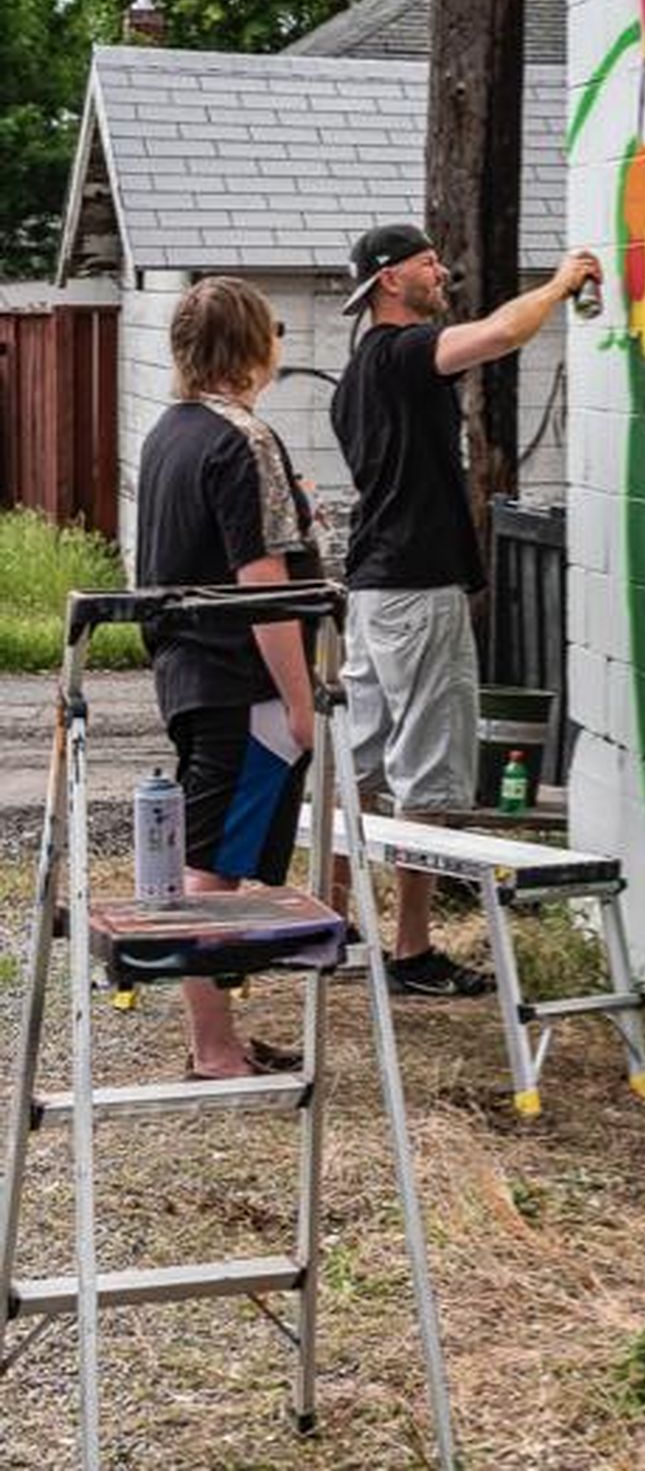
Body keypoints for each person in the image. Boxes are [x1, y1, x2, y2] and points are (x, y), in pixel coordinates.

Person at [330, 223, 600, 996]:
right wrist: (558, 282)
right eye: (426, 262)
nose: (441, 270)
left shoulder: (357, 375)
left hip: (377, 592)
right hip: (416, 590)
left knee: (361, 764)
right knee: (428, 773)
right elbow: (499, 334)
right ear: (389, 281)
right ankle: (411, 951)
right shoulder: (405, 353)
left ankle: (332, 923)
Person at [137, 277, 320, 1078]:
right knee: (211, 859)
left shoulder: (166, 430)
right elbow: (262, 577)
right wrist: (302, 697)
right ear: (257, 346)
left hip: (182, 666)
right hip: (236, 677)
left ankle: (220, 1038)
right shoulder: (243, 438)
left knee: (212, 848)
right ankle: (214, 1049)